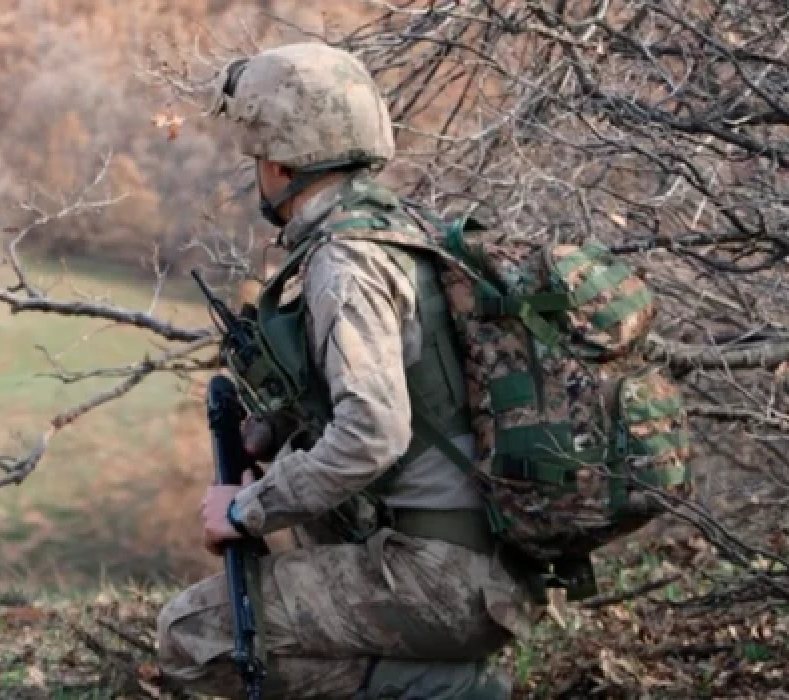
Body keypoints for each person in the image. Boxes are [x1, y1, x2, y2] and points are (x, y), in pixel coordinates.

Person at [155, 42, 541, 699]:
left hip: (440, 579)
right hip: (484, 567)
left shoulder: (346, 263)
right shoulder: (399, 230)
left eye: (256, 160)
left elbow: (372, 434)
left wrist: (249, 509)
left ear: (279, 162)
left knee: (194, 635)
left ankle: (449, 689)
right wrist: (274, 432)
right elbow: (419, 398)